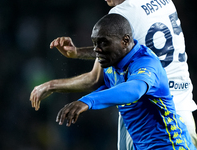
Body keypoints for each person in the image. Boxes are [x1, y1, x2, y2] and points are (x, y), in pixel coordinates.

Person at [30, 0, 197, 149]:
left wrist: (55, 87)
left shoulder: (122, 14)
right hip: (181, 108)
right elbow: (114, 51)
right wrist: (78, 52)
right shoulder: (164, 2)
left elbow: (95, 78)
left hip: (151, 114)